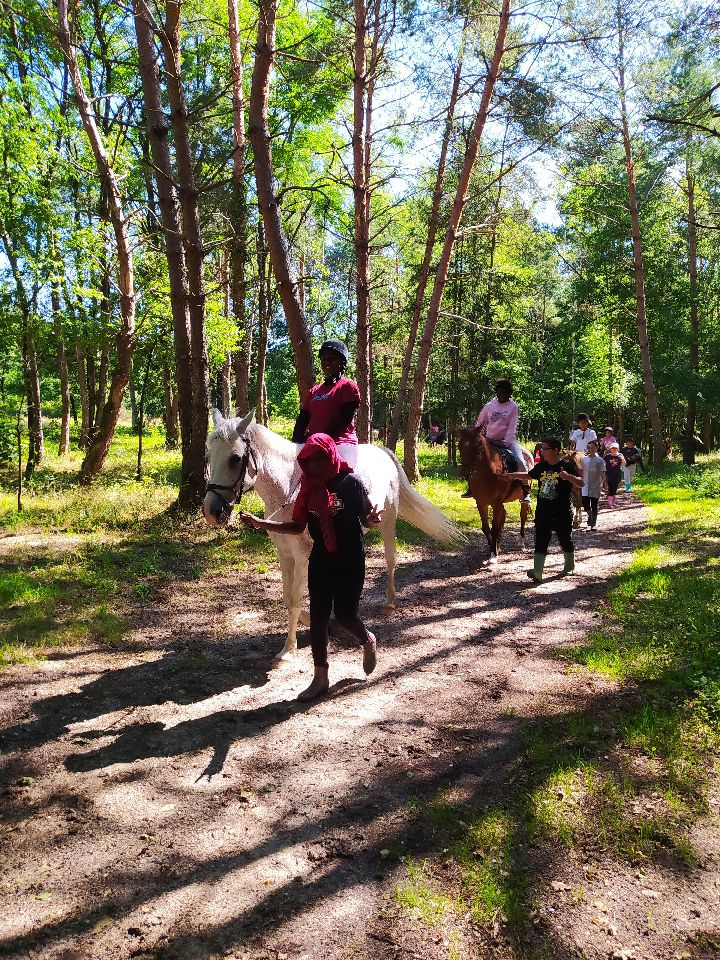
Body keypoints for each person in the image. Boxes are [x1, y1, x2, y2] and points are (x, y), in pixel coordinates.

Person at [239, 434, 383, 701]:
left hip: (350, 560)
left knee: (344, 615)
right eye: (309, 461)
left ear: (330, 457)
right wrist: (262, 523)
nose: (314, 467)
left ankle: (367, 639)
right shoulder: (308, 487)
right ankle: (320, 677)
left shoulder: (350, 483)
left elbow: (366, 518)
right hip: (321, 559)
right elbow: (297, 527)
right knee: (317, 620)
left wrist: (373, 520)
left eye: (319, 460)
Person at [506, 436, 582, 583]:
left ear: (555, 450)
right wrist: (510, 476)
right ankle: (538, 572)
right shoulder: (542, 466)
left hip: (562, 511)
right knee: (541, 540)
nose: (541, 451)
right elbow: (529, 475)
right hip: (543, 511)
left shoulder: (566, 466)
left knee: (565, 538)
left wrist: (569, 477)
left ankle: (569, 566)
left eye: (545, 449)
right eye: (541, 448)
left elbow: (581, 483)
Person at [292, 340, 361, 468]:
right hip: (314, 445)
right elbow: (302, 420)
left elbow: (344, 421)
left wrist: (321, 440)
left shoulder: (348, 386)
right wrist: (296, 443)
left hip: (340, 443)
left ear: (342, 363)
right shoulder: (314, 391)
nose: (328, 362)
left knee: (341, 482)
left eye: (333, 359)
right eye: (324, 359)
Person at [581, 439, 605, 531]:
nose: (590, 449)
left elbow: (603, 473)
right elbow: (581, 471)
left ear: (596, 448)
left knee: (594, 505)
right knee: (586, 504)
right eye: (589, 448)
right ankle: (590, 516)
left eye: (593, 447)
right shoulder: (584, 460)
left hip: (596, 485)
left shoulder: (600, 460)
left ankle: (593, 524)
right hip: (585, 485)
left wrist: (605, 485)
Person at [603, 442, 625, 508]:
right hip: (609, 474)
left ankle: (613, 501)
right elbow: (602, 463)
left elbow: (624, 464)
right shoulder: (607, 456)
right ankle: (610, 503)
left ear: (618, 449)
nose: (614, 449)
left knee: (615, 488)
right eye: (613, 448)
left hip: (617, 474)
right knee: (610, 488)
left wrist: (622, 459)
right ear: (610, 449)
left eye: (616, 448)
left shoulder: (620, 455)